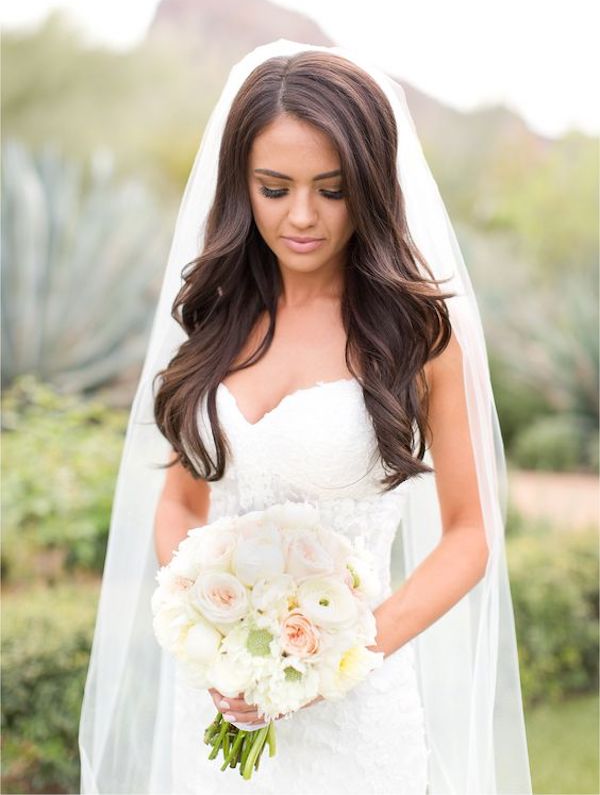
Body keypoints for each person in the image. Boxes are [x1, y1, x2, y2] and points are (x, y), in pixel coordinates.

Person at [78, 39, 533, 795]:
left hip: (358, 715)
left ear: (372, 186)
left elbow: (468, 536)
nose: (301, 216)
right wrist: (219, 644)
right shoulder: (215, 322)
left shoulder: (420, 334)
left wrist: (333, 656)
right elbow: (180, 507)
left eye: (332, 189)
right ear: (240, 184)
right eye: (274, 186)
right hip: (222, 705)